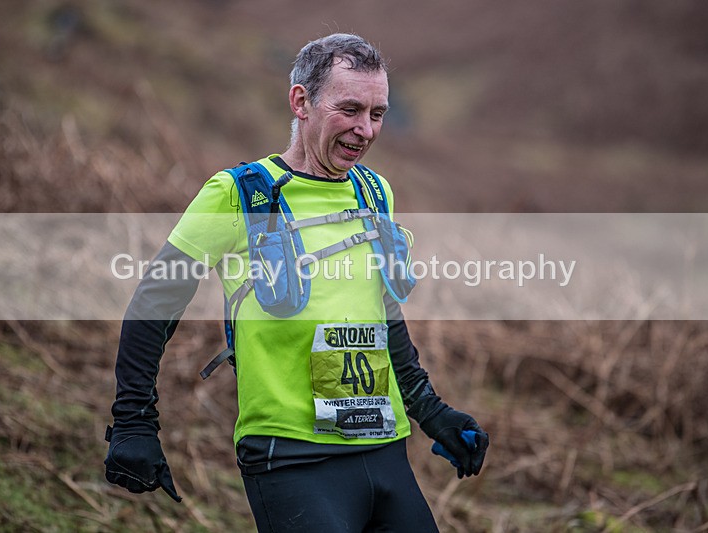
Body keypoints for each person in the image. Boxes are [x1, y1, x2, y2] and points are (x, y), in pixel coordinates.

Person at [105, 33, 489, 532]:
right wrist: (133, 421)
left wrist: (430, 411)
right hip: (290, 458)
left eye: (377, 113)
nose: (365, 130)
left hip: (383, 448)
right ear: (301, 101)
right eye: (350, 109)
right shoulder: (238, 194)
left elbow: (383, 315)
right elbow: (156, 300)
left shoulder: (375, 193)